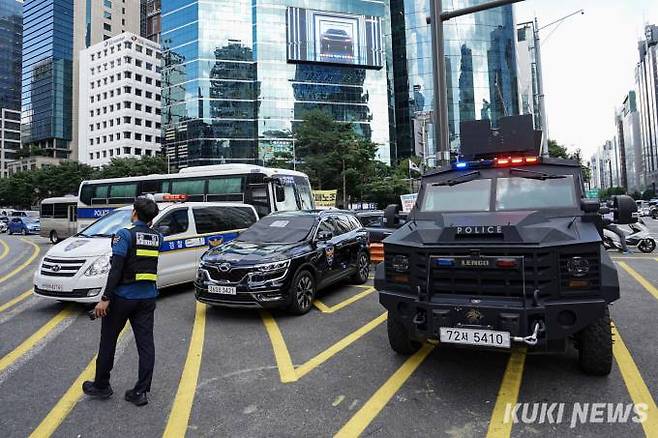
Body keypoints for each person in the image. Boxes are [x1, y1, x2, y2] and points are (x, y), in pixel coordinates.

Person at [82, 197, 161, 406]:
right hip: (147, 298)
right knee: (146, 345)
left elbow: (116, 269)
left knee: (108, 341)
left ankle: (101, 386)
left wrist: (105, 299)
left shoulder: (124, 235)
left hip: (123, 298)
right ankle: (141, 392)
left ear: (134, 213)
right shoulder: (156, 237)